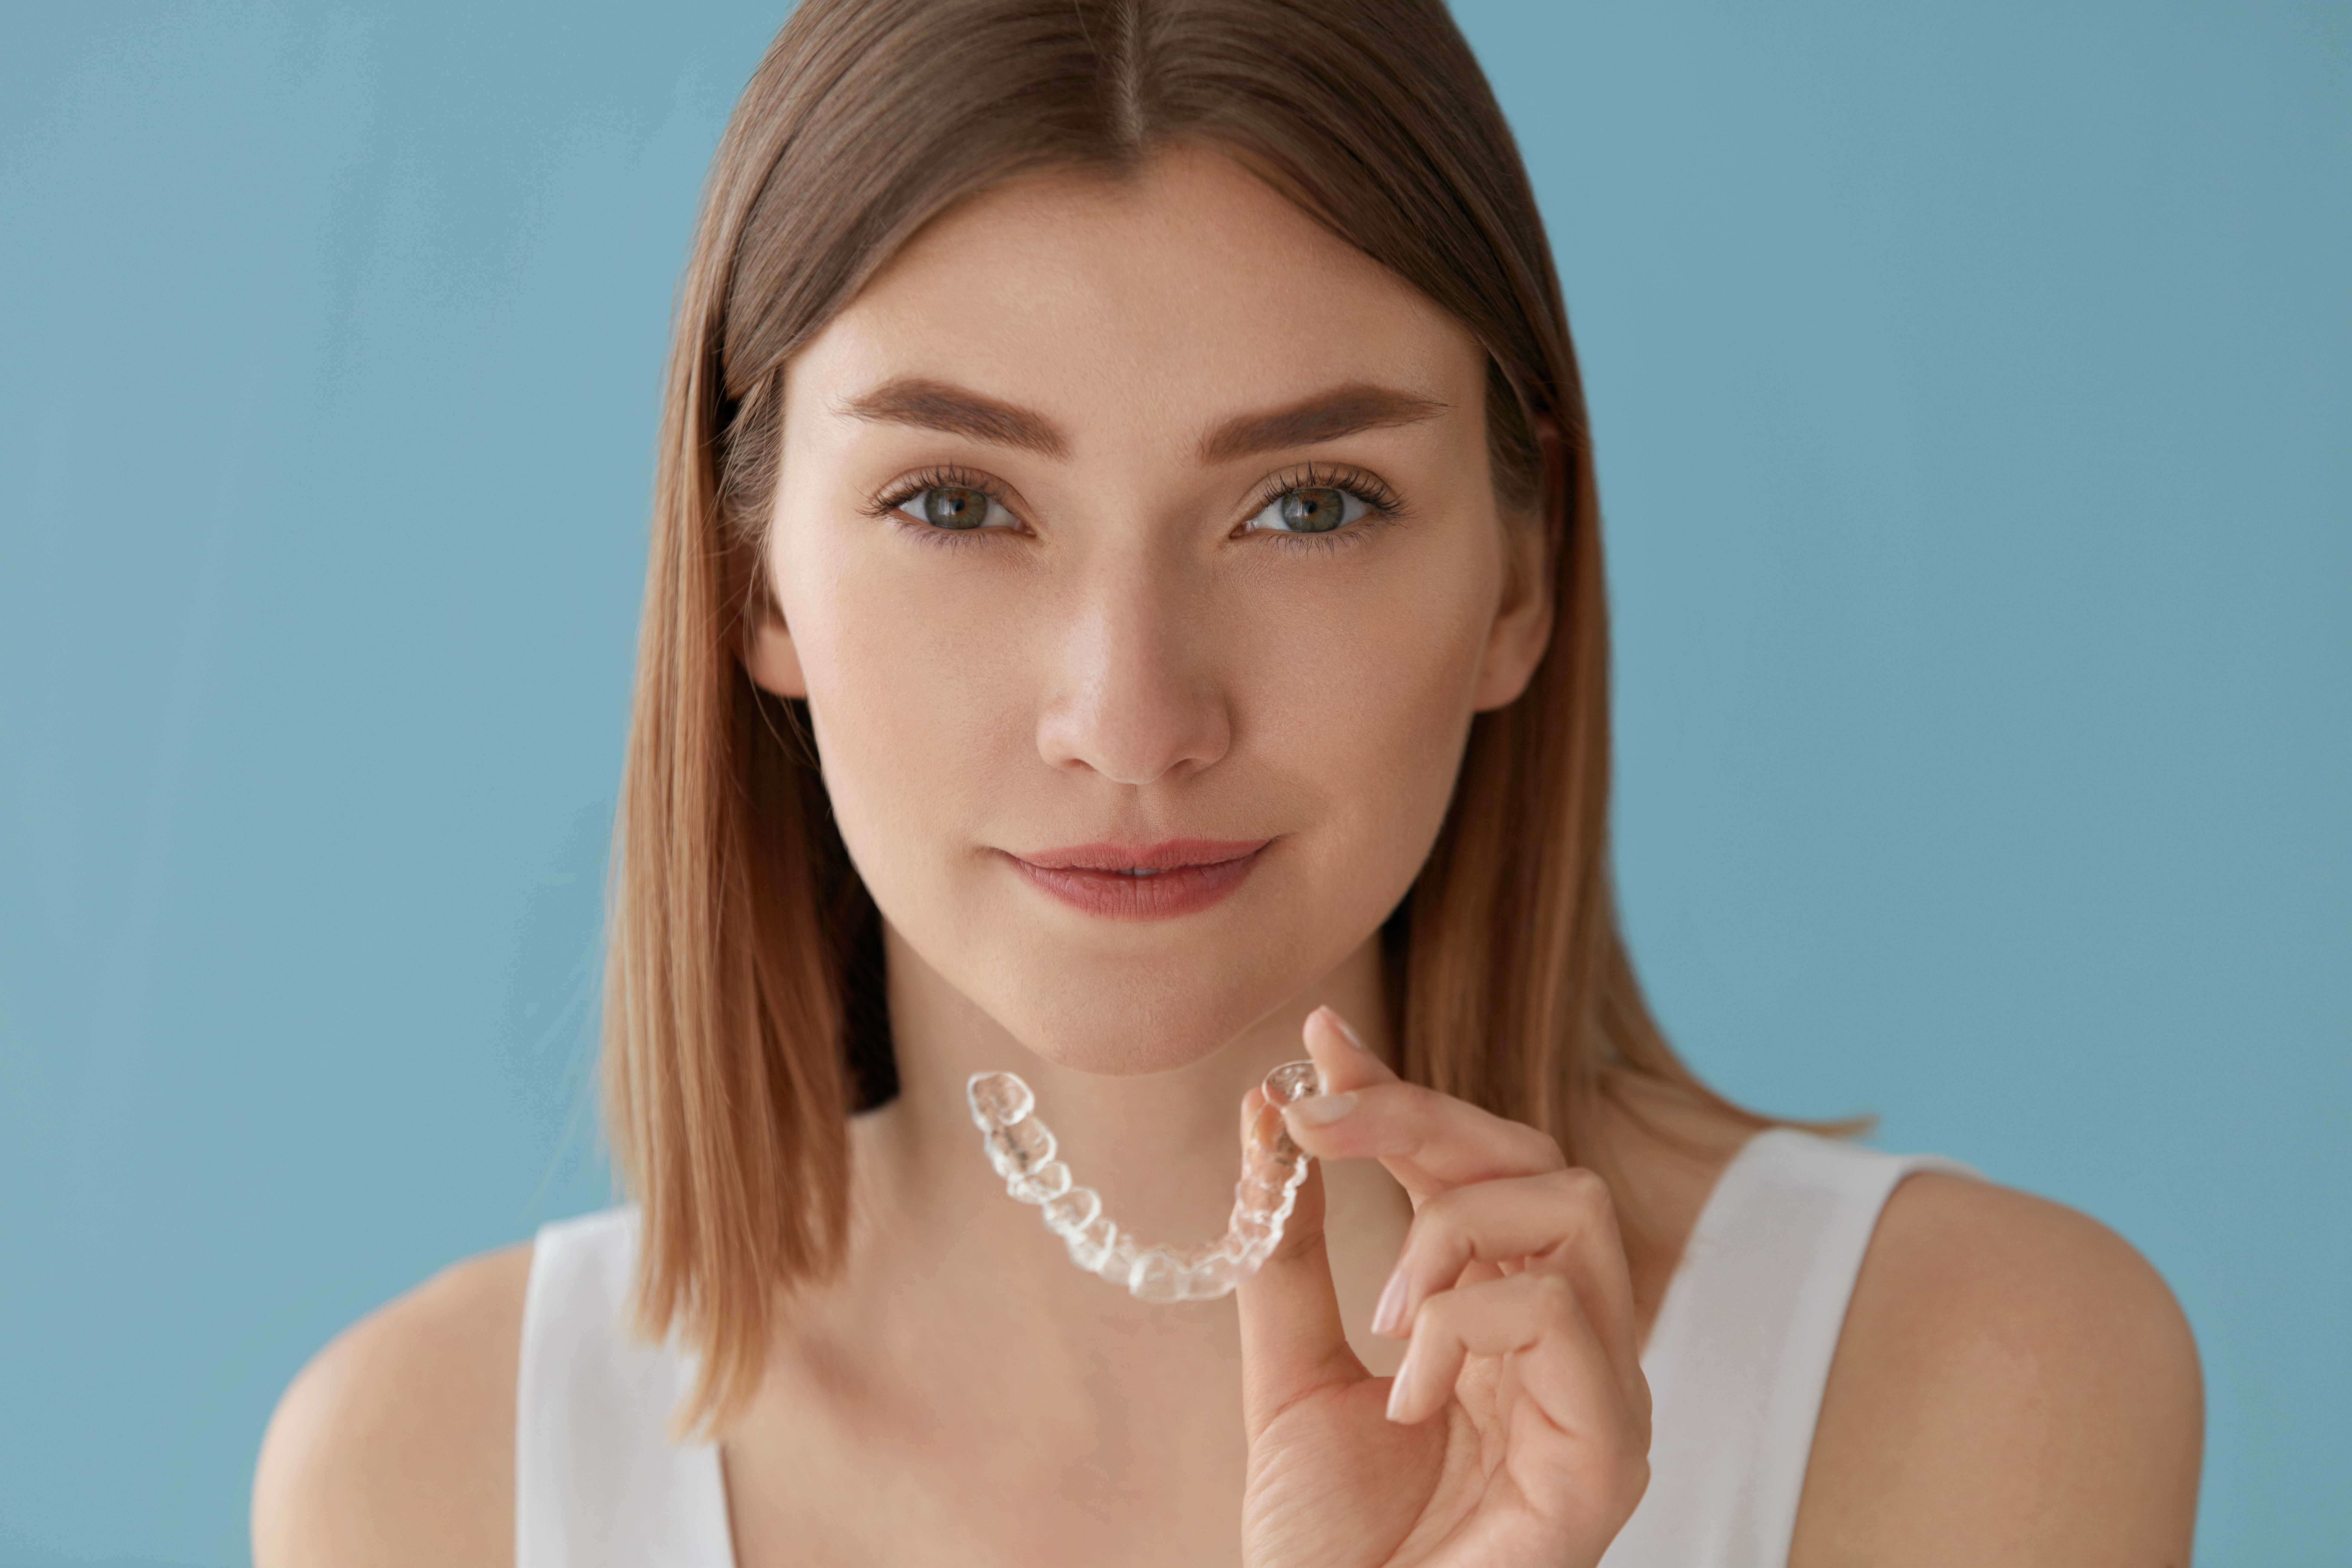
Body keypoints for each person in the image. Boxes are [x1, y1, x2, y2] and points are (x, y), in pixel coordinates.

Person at [251, 1, 2204, 1563]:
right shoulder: (428, 1491)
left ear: (1519, 574)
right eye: (955, 501)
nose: (1133, 714)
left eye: (1308, 503)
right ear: (754, 571)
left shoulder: (1977, 1385)